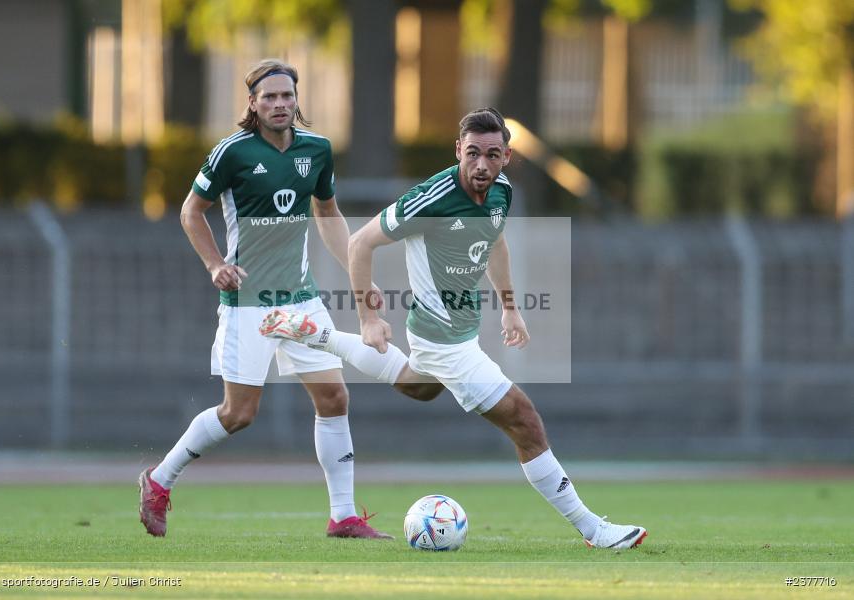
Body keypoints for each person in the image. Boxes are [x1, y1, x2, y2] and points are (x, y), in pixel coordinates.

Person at [260, 108, 648, 550]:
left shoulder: (501, 192)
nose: (481, 165)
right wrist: (368, 316)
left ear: (507, 156)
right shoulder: (430, 199)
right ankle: (594, 530)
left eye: (493, 154)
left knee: (420, 387)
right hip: (442, 337)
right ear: (458, 151)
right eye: (472, 154)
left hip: (458, 334)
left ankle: (317, 334)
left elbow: (496, 241)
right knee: (525, 421)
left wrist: (510, 308)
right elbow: (360, 243)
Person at [139, 58, 404, 539]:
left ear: (297, 100)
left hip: (300, 300)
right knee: (239, 414)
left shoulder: (318, 150)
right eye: (270, 97)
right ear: (253, 104)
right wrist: (216, 265)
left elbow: (327, 215)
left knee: (334, 395)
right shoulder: (231, 153)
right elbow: (190, 212)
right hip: (249, 304)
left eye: (287, 96)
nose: (280, 104)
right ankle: (159, 480)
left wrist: (356, 273)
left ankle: (343, 515)